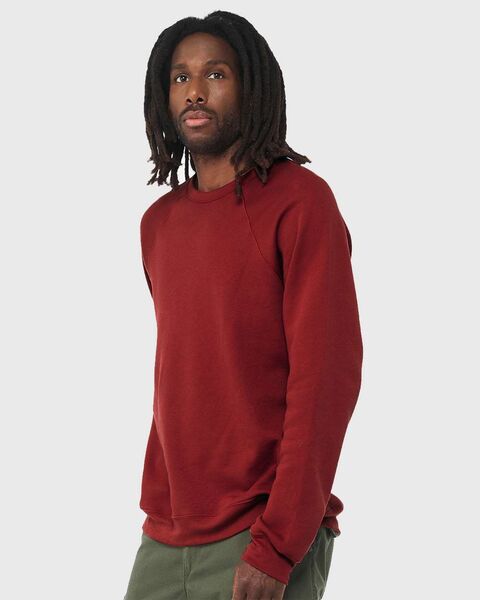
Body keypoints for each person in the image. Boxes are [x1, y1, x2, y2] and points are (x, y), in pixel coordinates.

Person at [124, 10, 363, 600]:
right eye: (180, 78)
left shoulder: (300, 202)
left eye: (216, 74)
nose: (195, 91)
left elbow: (325, 379)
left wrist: (278, 544)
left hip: (262, 532)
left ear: (251, 87)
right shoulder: (158, 224)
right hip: (166, 532)